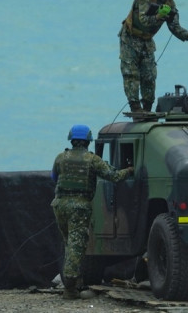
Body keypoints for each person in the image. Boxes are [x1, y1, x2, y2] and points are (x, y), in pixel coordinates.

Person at [51, 125, 134, 300]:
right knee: (76, 245)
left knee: (68, 243)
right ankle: (70, 288)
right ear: (88, 141)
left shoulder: (60, 158)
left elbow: (54, 178)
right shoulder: (92, 160)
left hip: (59, 205)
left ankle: (74, 281)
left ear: (71, 139)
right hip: (79, 207)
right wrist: (130, 170)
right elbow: (115, 176)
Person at [119, 0, 188, 113]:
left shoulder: (170, 4)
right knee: (131, 74)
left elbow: (175, 27)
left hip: (147, 41)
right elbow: (143, 20)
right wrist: (158, 16)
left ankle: (147, 108)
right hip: (130, 39)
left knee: (149, 76)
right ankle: (135, 108)